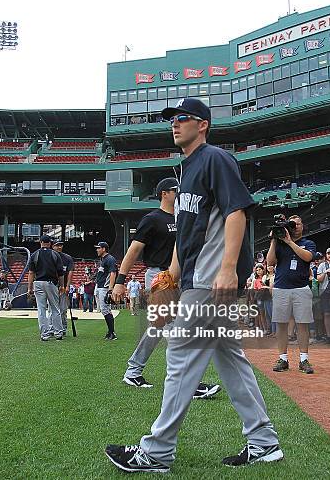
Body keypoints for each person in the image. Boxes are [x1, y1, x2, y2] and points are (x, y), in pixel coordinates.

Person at [106, 98, 281, 472]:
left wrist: (228, 268)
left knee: (181, 354)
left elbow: (237, 212)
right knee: (231, 360)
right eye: (172, 119)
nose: (174, 124)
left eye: (182, 118)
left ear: (202, 124)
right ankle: (264, 442)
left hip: (213, 277)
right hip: (197, 276)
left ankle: (156, 452)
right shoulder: (187, 169)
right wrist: (171, 274)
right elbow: (188, 235)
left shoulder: (215, 158)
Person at [112, 177, 221, 397]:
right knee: (176, 329)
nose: (179, 194)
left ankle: (133, 370)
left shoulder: (183, 219)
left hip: (179, 276)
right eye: (175, 191)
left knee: (159, 328)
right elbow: (133, 251)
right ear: (164, 193)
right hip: (158, 276)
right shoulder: (152, 219)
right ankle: (190, 383)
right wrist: (120, 282)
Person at [267, 215, 316, 373]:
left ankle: (304, 359)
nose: (295, 226)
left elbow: (307, 257)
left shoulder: (308, 243)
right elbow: (270, 262)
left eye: (297, 223)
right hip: (281, 288)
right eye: (292, 224)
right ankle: (283, 358)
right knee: (281, 325)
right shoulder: (279, 244)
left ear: (302, 226)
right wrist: (275, 239)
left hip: (301, 288)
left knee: (303, 324)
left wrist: (289, 242)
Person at [28, 235, 65, 341]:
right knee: (55, 308)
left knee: (41, 309)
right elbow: (60, 273)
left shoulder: (34, 254)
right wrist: (62, 286)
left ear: (40, 242)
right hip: (51, 283)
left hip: (38, 282)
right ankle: (58, 333)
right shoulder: (55, 254)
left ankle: (44, 334)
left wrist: (29, 288)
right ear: (50, 243)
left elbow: (31, 273)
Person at [94, 241, 118, 340]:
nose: (97, 250)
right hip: (100, 286)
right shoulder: (103, 259)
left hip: (105, 287)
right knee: (105, 310)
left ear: (104, 249)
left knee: (105, 309)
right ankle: (110, 331)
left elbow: (113, 273)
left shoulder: (109, 259)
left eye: (98, 248)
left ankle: (112, 333)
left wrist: (110, 289)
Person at [52, 240, 75, 334]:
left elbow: (70, 272)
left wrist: (67, 286)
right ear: (53, 246)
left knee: (63, 309)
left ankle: (63, 328)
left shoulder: (67, 258)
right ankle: (53, 328)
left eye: (61, 245)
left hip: (63, 286)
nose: (59, 247)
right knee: (52, 309)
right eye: (57, 245)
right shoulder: (50, 257)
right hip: (52, 286)